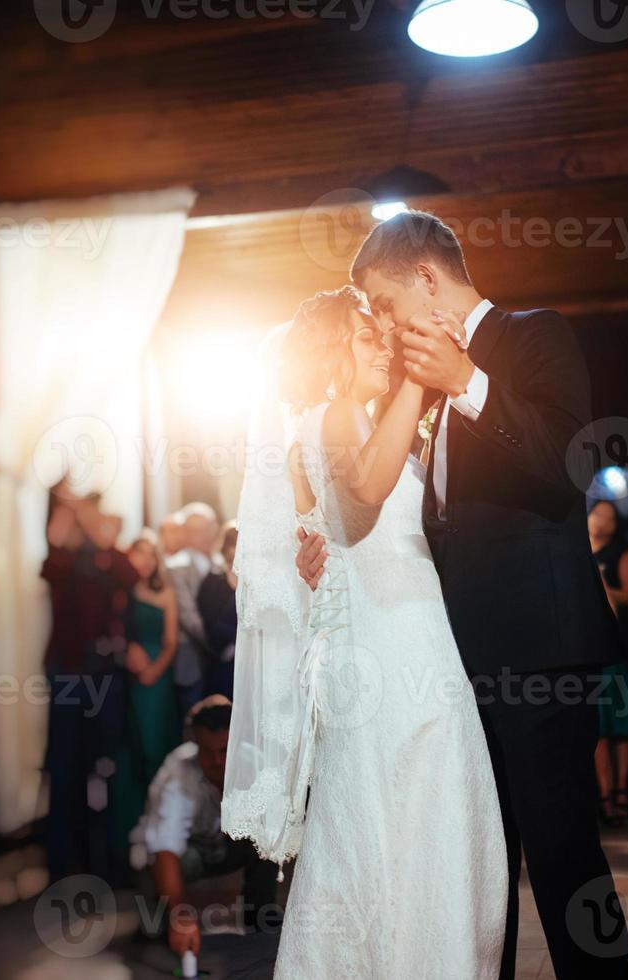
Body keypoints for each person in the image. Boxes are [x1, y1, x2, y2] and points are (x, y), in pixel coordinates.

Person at [281, 210, 628, 979]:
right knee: (477, 870)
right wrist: (333, 554)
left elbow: (568, 464)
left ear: (429, 280)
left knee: (566, 858)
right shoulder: (411, 389)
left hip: (541, 655)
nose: (382, 324)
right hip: (453, 669)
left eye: (387, 304)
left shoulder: (532, 337)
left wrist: (466, 383)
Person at [225, 283, 509, 979]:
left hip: (383, 641)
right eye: (368, 338)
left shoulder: (335, 426)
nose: (384, 348)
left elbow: (317, 541)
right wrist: (418, 379)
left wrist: (312, 564)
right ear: (332, 356)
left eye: (383, 340)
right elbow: (373, 488)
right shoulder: (334, 415)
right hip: (398, 647)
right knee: (419, 815)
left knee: (384, 818)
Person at [40, 491, 140, 883]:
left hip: (108, 673)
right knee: (66, 766)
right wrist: (68, 517)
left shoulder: (113, 562)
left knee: (110, 763)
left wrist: (91, 519)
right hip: (68, 672)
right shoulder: (64, 562)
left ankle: (112, 860)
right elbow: (50, 562)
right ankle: (63, 863)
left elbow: (129, 575)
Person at [133, 697, 280, 958]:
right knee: (156, 924)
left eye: (224, 751)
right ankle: (161, 916)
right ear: (195, 745)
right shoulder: (179, 770)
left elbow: (271, 827)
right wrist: (180, 916)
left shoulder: (254, 762)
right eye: (206, 751)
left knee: (265, 842)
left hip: (226, 842)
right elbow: (165, 847)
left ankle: (260, 924)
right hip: (181, 853)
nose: (216, 761)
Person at [112, 533, 181, 847]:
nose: (144, 562)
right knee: (131, 746)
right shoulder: (122, 591)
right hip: (129, 675)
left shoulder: (166, 592)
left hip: (158, 676)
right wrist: (129, 652)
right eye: (138, 555)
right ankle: (130, 823)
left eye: (150, 556)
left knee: (155, 745)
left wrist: (155, 668)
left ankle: (159, 823)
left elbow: (171, 642)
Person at [587, 500, 628, 825]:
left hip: (616, 641)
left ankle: (621, 790)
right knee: (599, 726)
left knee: (623, 720)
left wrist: (601, 586)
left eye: (611, 517)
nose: (604, 522)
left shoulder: (619, 553)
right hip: (587, 643)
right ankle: (604, 792)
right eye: (600, 514)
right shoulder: (578, 550)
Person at [163, 502, 219, 717]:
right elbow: (188, 616)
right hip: (192, 661)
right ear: (185, 532)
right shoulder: (175, 566)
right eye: (195, 530)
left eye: (206, 528)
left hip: (221, 663)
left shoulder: (221, 562)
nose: (202, 535)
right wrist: (219, 644)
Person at [196, 522, 238, 699]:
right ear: (226, 548)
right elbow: (211, 628)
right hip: (223, 663)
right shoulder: (213, 581)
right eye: (235, 544)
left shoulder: (258, 582)